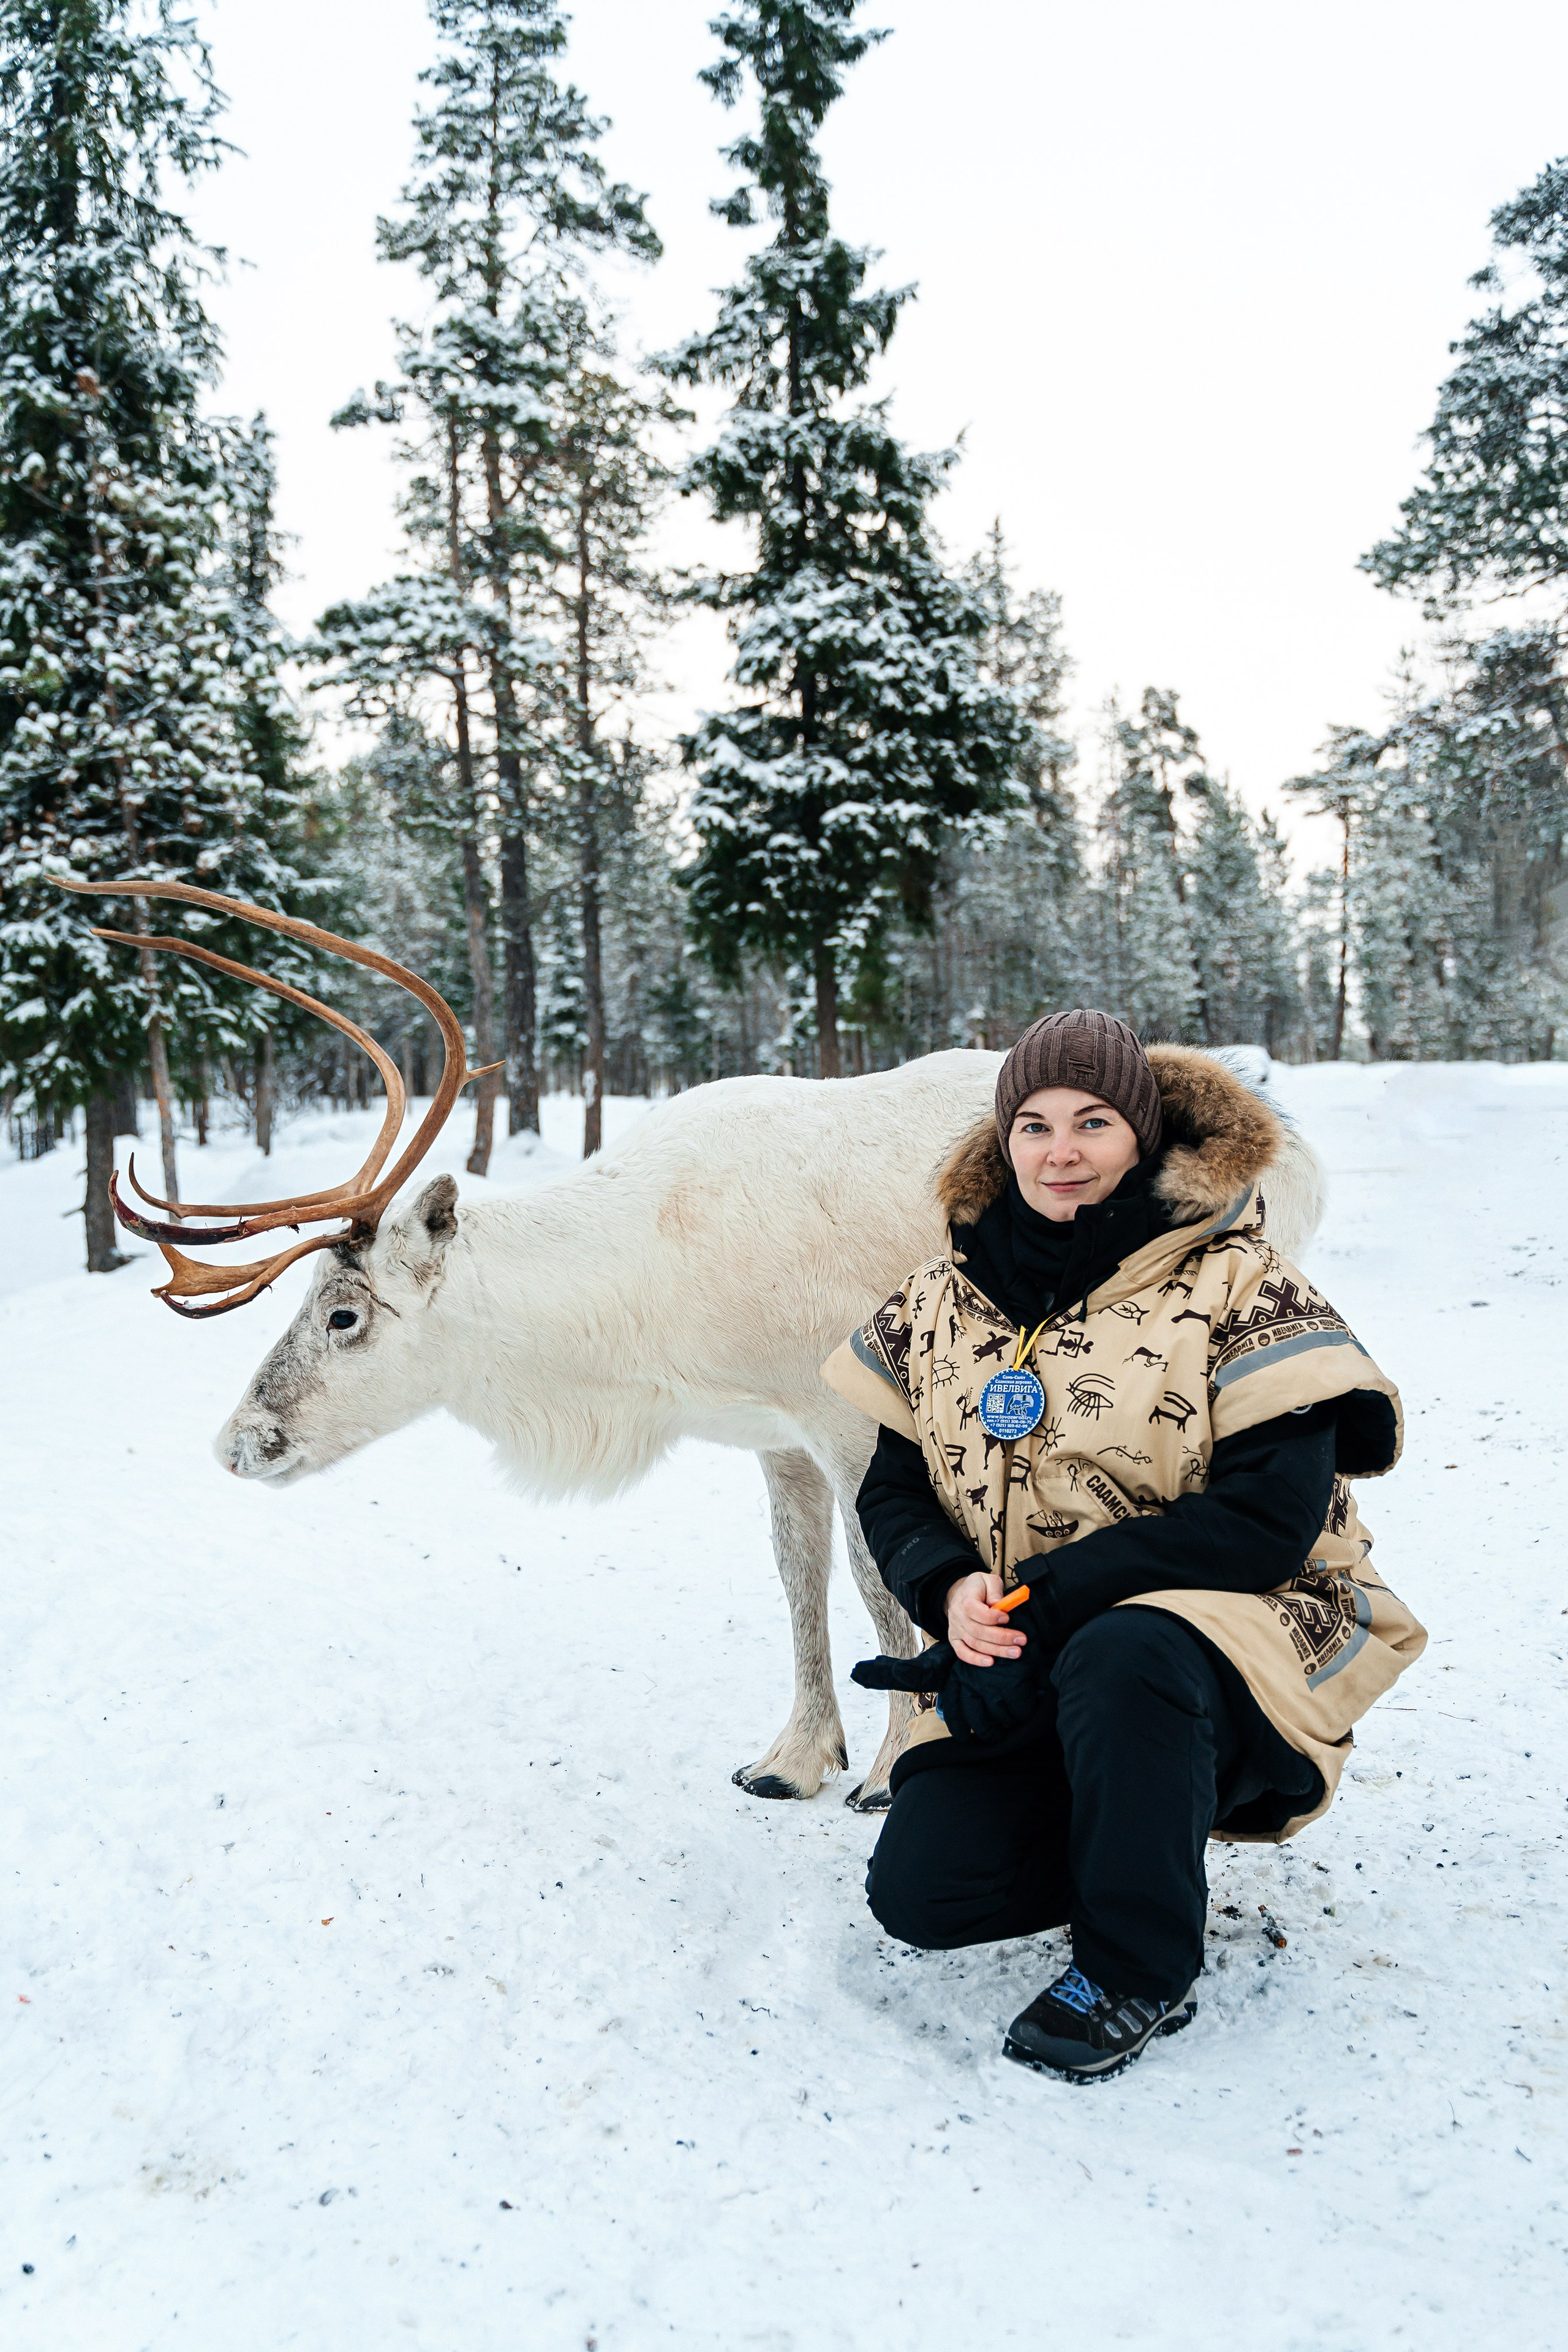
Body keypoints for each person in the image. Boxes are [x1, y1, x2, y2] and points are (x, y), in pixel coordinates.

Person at [821, 1009, 1425, 2082]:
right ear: (1003, 1141)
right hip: (1021, 1646)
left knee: (1127, 1653)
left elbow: (1264, 1524)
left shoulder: (1243, 1287)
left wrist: (1046, 1602)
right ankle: (1136, 1821)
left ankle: (1135, 1967)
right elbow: (893, 1484)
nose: (1061, 1152)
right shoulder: (941, 1299)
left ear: (1142, 1136)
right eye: (1035, 1125)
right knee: (923, 1894)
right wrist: (950, 1588)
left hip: (1229, 1641)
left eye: (1093, 1122)